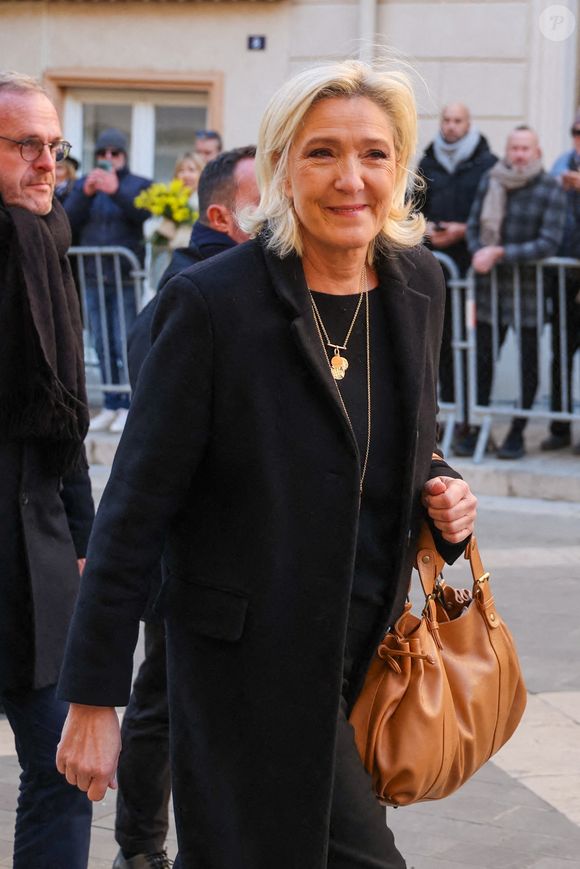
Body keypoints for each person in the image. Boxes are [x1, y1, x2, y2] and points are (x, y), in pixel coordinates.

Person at [56, 59, 477, 869]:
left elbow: (397, 441)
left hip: (363, 654)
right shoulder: (214, 303)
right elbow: (135, 507)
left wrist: (447, 494)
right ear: (282, 167)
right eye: (322, 152)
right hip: (245, 666)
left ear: (401, 169)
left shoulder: (417, 285)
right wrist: (94, 694)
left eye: (374, 154)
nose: (350, 177)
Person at [112, 146, 259, 869]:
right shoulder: (191, 293)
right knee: (161, 699)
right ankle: (140, 849)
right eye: (268, 197)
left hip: (236, 550)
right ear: (220, 215)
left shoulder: (251, 281)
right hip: (188, 546)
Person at [0, 70, 94, 868]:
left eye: (54, 146)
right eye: (25, 145)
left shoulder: (48, 243)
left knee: (66, 767)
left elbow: (67, 422)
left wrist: (87, 533)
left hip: (35, 552)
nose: (45, 163)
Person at [460, 126, 566, 459]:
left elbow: (549, 242)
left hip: (529, 293)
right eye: (514, 148)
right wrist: (479, 251)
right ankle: (476, 429)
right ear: (507, 150)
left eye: (525, 149)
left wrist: (500, 254)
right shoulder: (492, 179)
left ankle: (517, 433)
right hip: (490, 290)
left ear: (537, 152)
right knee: (483, 362)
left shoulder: (550, 187)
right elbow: (475, 226)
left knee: (529, 367)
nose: (519, 154)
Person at [65, 128, 151, 434]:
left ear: (124, 155)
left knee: (124, 340)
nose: (108, 159)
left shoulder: (138, 184)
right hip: (92, 276)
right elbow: (66, 220)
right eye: (103, 153)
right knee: (100, 342)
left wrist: (116, 190)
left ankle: (129, 404)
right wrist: (85, 195)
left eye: (115, 153)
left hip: (125, 276)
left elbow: (144, 214)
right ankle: (112, 403)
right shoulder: (83, 185)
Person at [418, 103, 497, 432]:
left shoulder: (487, 164)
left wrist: (464, 231)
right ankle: (445, 419)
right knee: (442, 344)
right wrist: (424, 228)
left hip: (474, 273)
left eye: (457, 121)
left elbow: (493, 214)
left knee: (476, 344)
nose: (450, 127)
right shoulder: (428, 161)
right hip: (439, 271)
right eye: (446, 120)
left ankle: (473, 422)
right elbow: (414, 206)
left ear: (469, 124)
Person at [540, 109, 580, 454]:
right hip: (564, 274)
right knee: (561, 352)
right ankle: (559, 426)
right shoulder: (562, 163)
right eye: (577, 131)